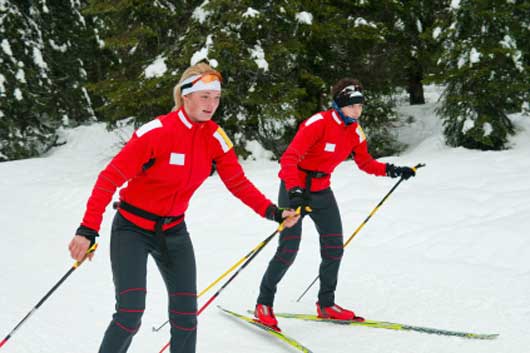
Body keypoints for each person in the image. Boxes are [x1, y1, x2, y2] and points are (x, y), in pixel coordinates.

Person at [68, 62, 299, 353]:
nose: (211, 104)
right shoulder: (156, 132)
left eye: (216, 98)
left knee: (186, 315)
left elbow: (237, 182)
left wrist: (273, 212)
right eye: (204, 96)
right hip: (132, 229)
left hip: (173, 231)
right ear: (185, 95)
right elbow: (108, 179)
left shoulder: (215, 138)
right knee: (129, 314)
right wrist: (87, 229)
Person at [254, 78, 416, 329]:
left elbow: (365, 163)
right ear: (340, 105)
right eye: (353, 106)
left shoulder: (355, 132)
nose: (358, 111)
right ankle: (264, 304)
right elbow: (289, 158)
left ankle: (326, 304)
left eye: (360, 106)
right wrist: (294, 191)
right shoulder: (318, 123)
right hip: (295, 189)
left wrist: (393, 170)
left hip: (321, 191)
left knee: (334, 247)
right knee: (288, 250)